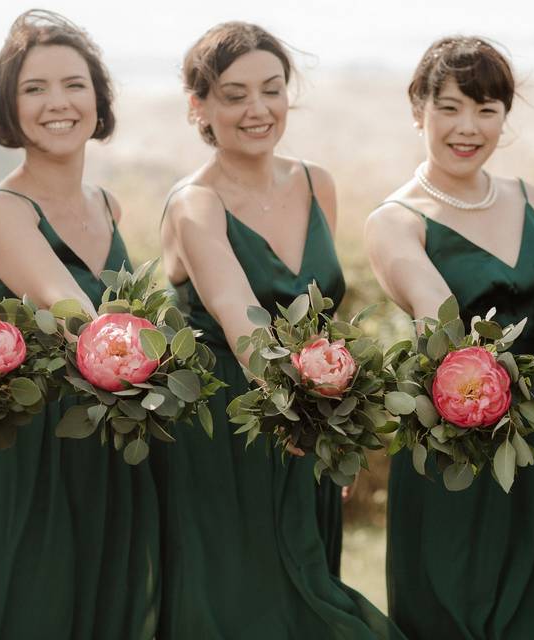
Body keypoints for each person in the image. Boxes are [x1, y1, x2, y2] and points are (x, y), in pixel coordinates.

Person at [154, 22, 402, 639]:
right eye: (235, 95)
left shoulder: (318, 182)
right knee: (243, 608)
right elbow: (242, 320)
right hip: (222, 432)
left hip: (306, 424)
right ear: (200, 107)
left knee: (308, 592)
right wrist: (308, 421)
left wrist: (334, 434)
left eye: (272, 89)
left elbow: (322, 321)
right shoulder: (195, 203)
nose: (258, 109)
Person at [0, 10, 159, 638]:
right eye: (34, 88)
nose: (59, 102)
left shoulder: (108, 204)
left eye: (74, 84)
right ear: (8, 105)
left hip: (101, 451)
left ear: (98, 98)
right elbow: (75, 311)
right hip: (18, 459)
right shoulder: (2, 209)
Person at [365, 36, 534, 640]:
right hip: (458, 438)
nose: (467, 127)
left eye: (487, 110)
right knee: (457, 604)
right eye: (449, 107)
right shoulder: (395, 219)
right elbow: (436, 314)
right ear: (418, 108)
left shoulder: (530, 199)